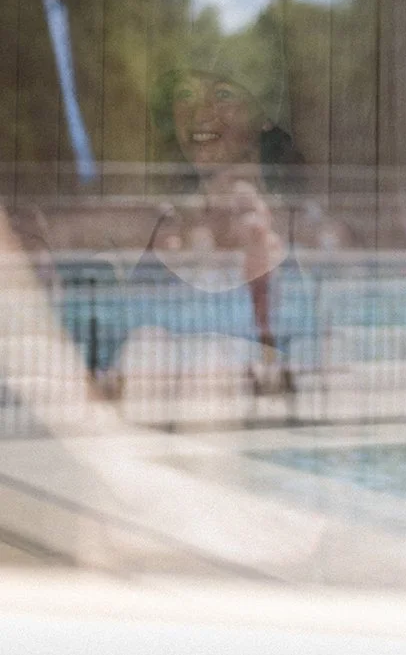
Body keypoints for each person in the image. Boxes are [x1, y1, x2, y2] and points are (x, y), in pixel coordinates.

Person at [120, 33, 309, 402]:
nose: (199, 112)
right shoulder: (159, 232)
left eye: (223, 94)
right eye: (185, 94)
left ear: (265, 113)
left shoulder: (306, 234)